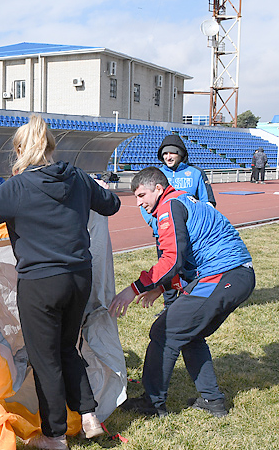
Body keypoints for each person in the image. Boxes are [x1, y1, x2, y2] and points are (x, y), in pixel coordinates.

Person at [0, 115, 121, 450]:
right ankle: (88, 415)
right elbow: (111, 205)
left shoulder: (17, 187)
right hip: (78, 277)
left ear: (19, 150)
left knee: (45, 358)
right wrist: (99, 189)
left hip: (40, 282)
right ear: (52, 148)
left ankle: (55, 436)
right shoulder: (76, 177)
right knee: (66, 347)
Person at [109, 166, 254, 418]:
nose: (139, 203)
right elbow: (186, 260)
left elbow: (173, 258)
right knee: (189, 333)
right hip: (235, 274)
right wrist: (161, 287)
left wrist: (134, 289)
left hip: (223, 274)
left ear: (158, 188)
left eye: (141, 195)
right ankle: (213, 401)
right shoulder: (182, 200)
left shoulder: (168, 206)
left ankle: (152, 403)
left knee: (164, 331)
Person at [142, 134, 214, 309]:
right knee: (168, 267)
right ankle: (169, 306)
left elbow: (209, 203)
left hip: (192, 236)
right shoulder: (155, 175)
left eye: (173, 153)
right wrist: (156, 224)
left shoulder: (196, 173)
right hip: (164, 232)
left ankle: (191, 302)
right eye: (165, 153)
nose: (168, 157)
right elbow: (145, 204)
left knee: (191, 269)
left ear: (181, 154)